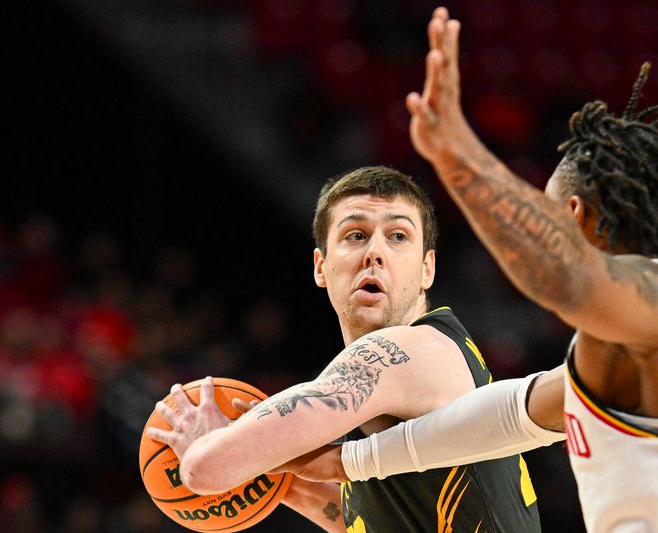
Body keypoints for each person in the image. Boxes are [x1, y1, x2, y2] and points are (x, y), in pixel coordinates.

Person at [282, 7, 658, 533]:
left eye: (547, 208)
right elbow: (505, 417)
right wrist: (348, 462)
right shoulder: (651, 342)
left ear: (574, 215)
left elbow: (563, 277)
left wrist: (455, 154)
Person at [147, 166, 542, 531]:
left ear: (427, 269)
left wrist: (209, 442)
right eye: (356, 235)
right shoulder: (393, 393)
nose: (375, 253)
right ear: (320, 266)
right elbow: (367, 521)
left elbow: (206, 469)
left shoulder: (406, 352)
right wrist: (278, 476)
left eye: (398, 237)